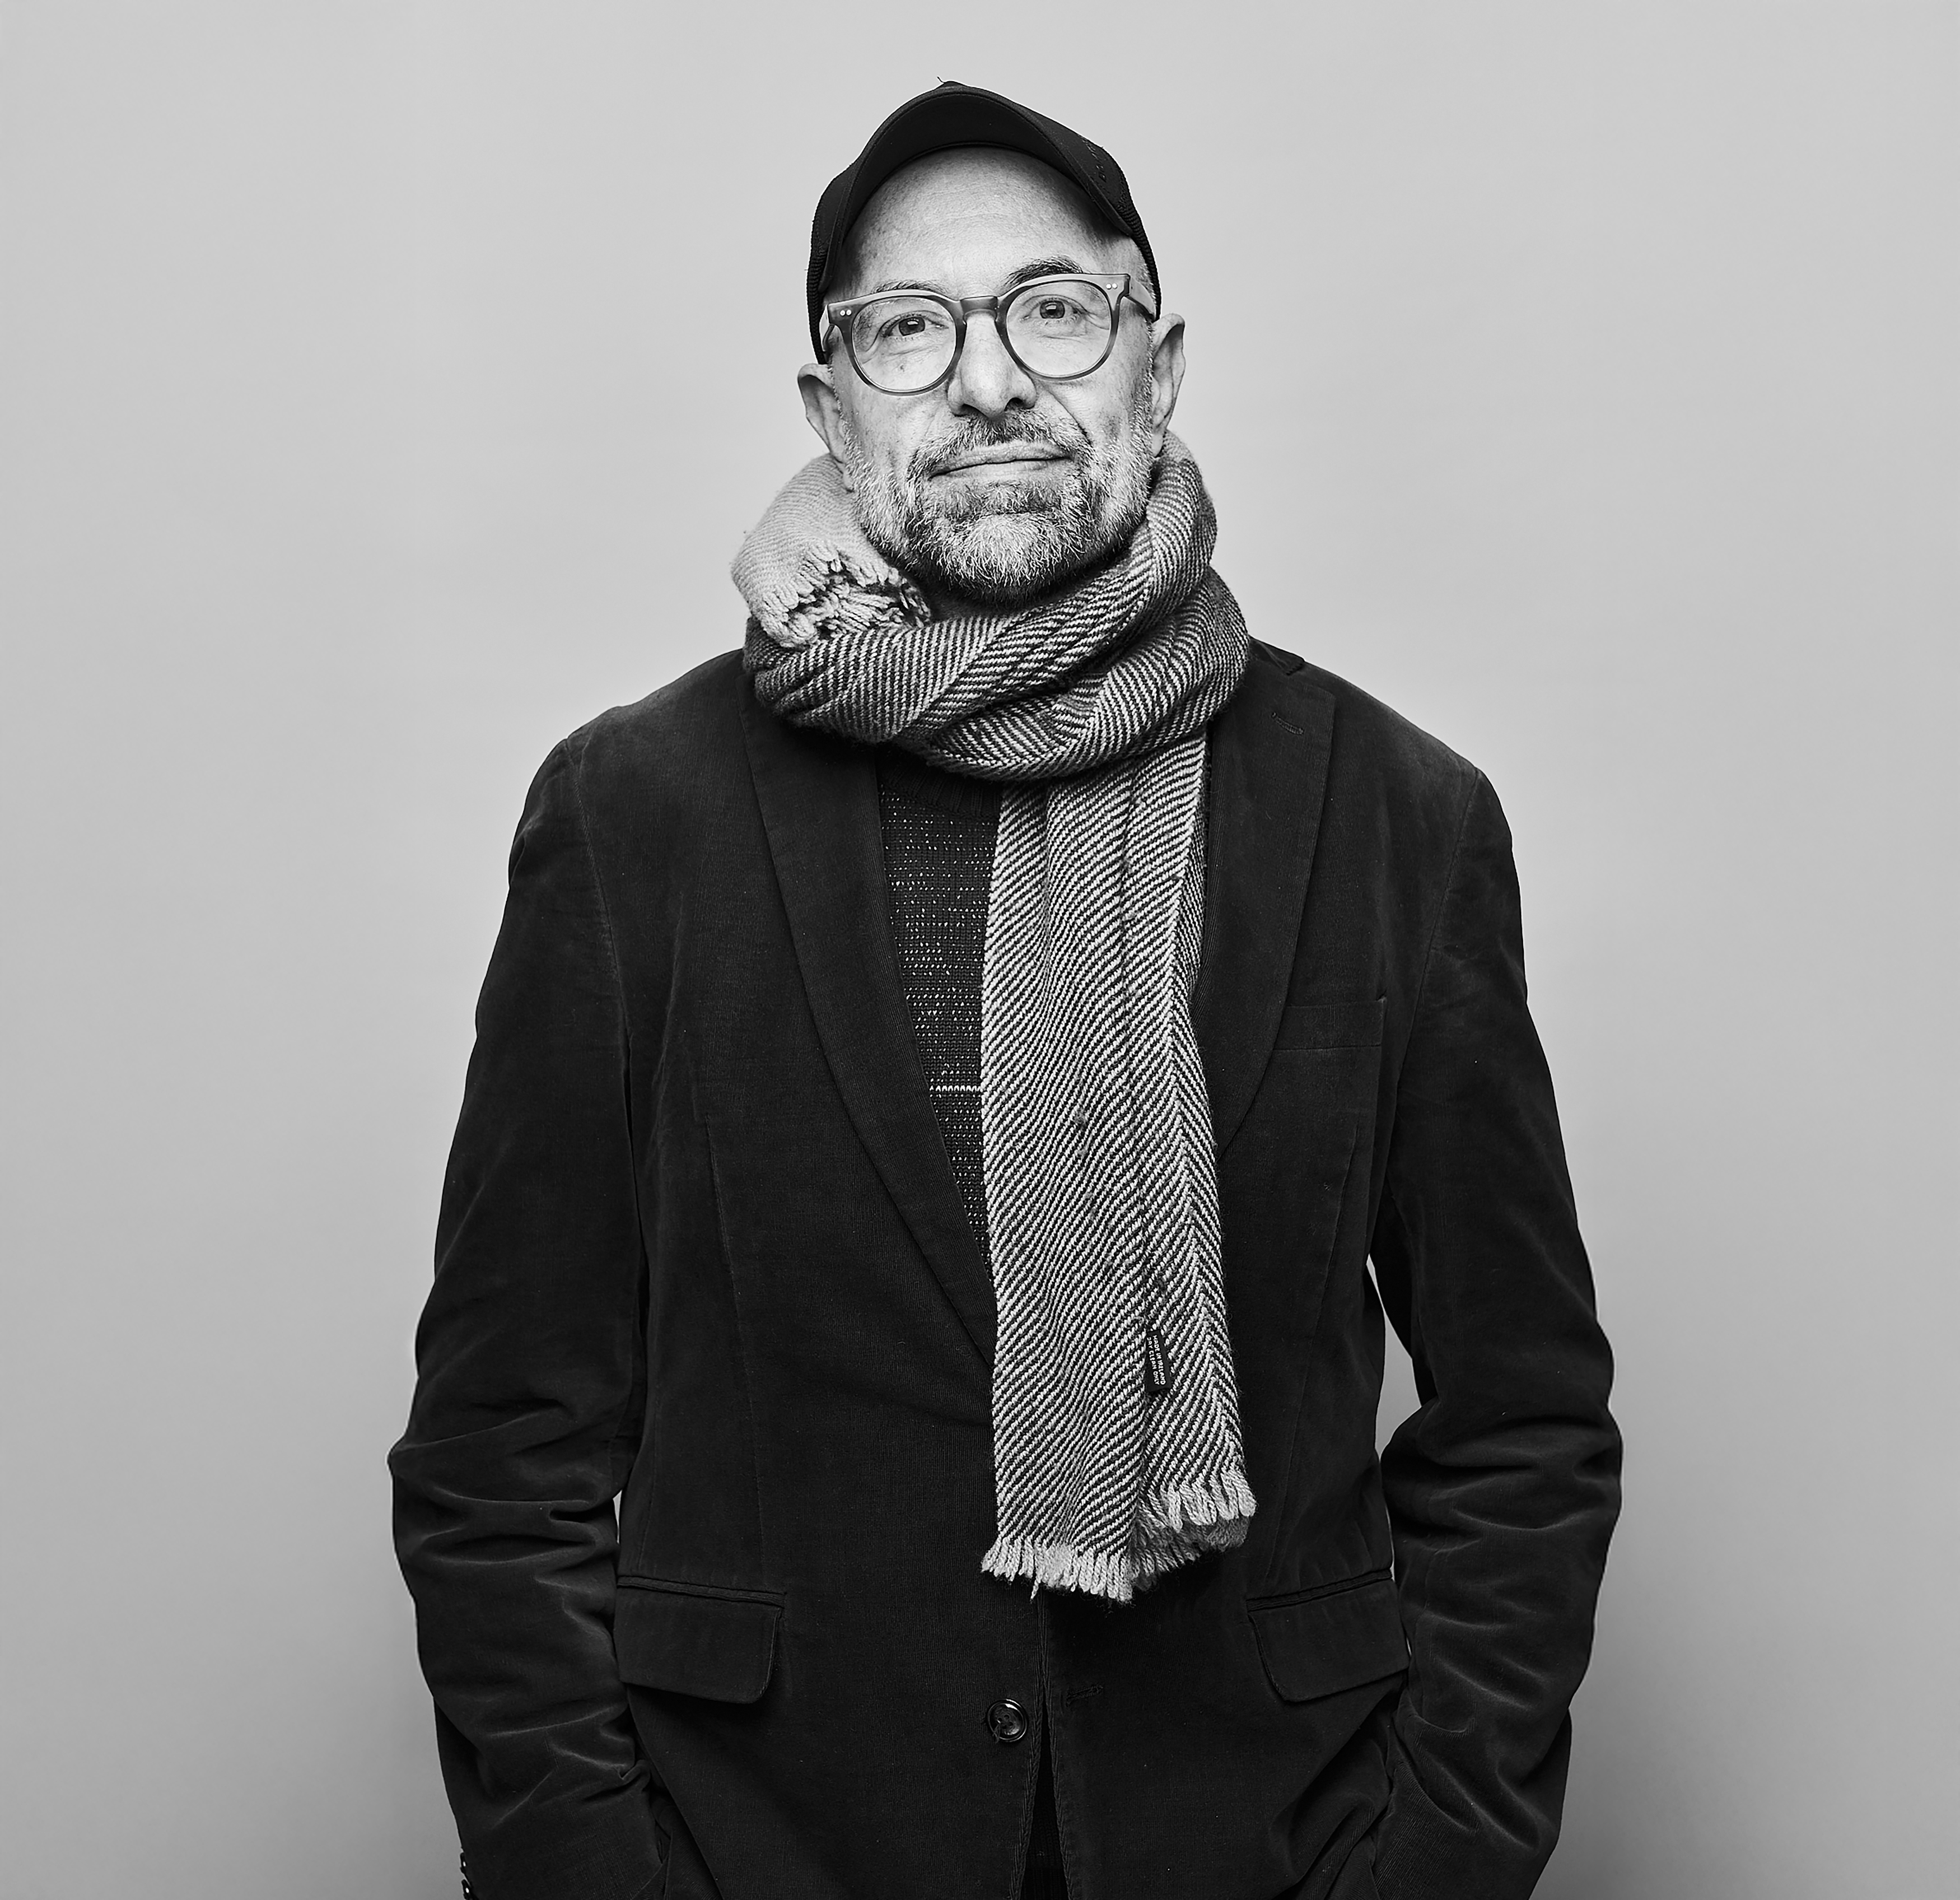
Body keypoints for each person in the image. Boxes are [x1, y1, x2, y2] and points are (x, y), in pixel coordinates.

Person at [390, 80, 1621, 1900]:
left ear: (1156, 359)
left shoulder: (1395, 817)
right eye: (909, 331)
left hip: (1258, 1843)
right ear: (832, 407)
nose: (987, 382)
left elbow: (1522, 1422)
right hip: (765, 1848)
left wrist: (1427, 1859)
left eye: (1056, 310)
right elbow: (505, 1452)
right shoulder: (633, 814)